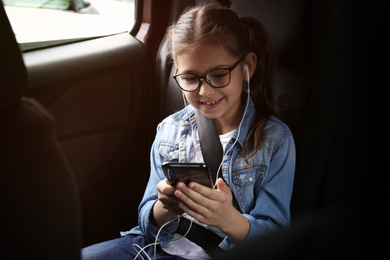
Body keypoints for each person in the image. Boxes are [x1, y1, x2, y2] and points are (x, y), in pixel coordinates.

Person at [82, 4, 295, 260]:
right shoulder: (169, 130)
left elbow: (275, 241)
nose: (205, 92)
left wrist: (228, 220)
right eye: (190, 78)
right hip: (153, 248)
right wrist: (164, 207)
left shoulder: (274, 141)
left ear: (246, 66)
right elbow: (146, 221)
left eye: (218, 75)